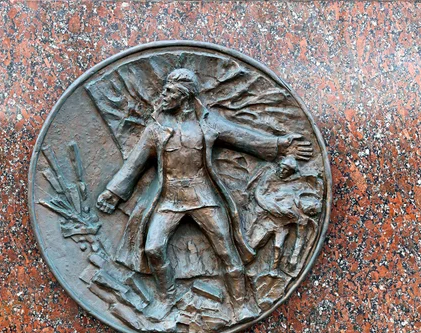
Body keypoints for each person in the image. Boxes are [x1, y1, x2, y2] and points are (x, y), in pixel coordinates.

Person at [96, 68, 312, 320]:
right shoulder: (156, 130)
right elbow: (134, 164)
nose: (163, 96)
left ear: (185, 97)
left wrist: (281, 144)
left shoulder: (208, 124)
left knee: (226, 250)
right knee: (153, 248)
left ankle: (241, 305)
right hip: (169, 199)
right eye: (164, 90)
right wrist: (113, 193)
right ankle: (166, 298)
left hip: (204, 198)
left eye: (170, 92)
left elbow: (245, 138)